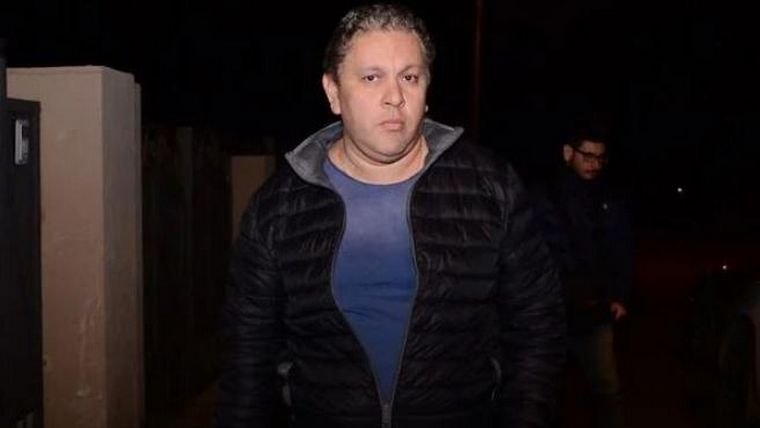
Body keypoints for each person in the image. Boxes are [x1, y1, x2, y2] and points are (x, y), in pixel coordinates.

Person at [215, 4, 564, 427]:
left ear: (427, 89)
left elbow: (536, 326)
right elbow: (248, 360)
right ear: (332, 91)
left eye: (409, 77)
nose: (394, 96)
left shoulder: (491, 188)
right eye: (371, 77)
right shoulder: (278, 207)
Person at [533, 129, 633, 428]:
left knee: (607, 389)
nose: (594, 164)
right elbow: (535, 250)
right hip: (551, 311)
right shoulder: (545, 195)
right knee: (544, 391)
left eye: (600, 158)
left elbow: (621, 248)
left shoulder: (610, 197)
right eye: (588, 156)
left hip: (594, 310)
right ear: (569, 153)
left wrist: (620, 295)